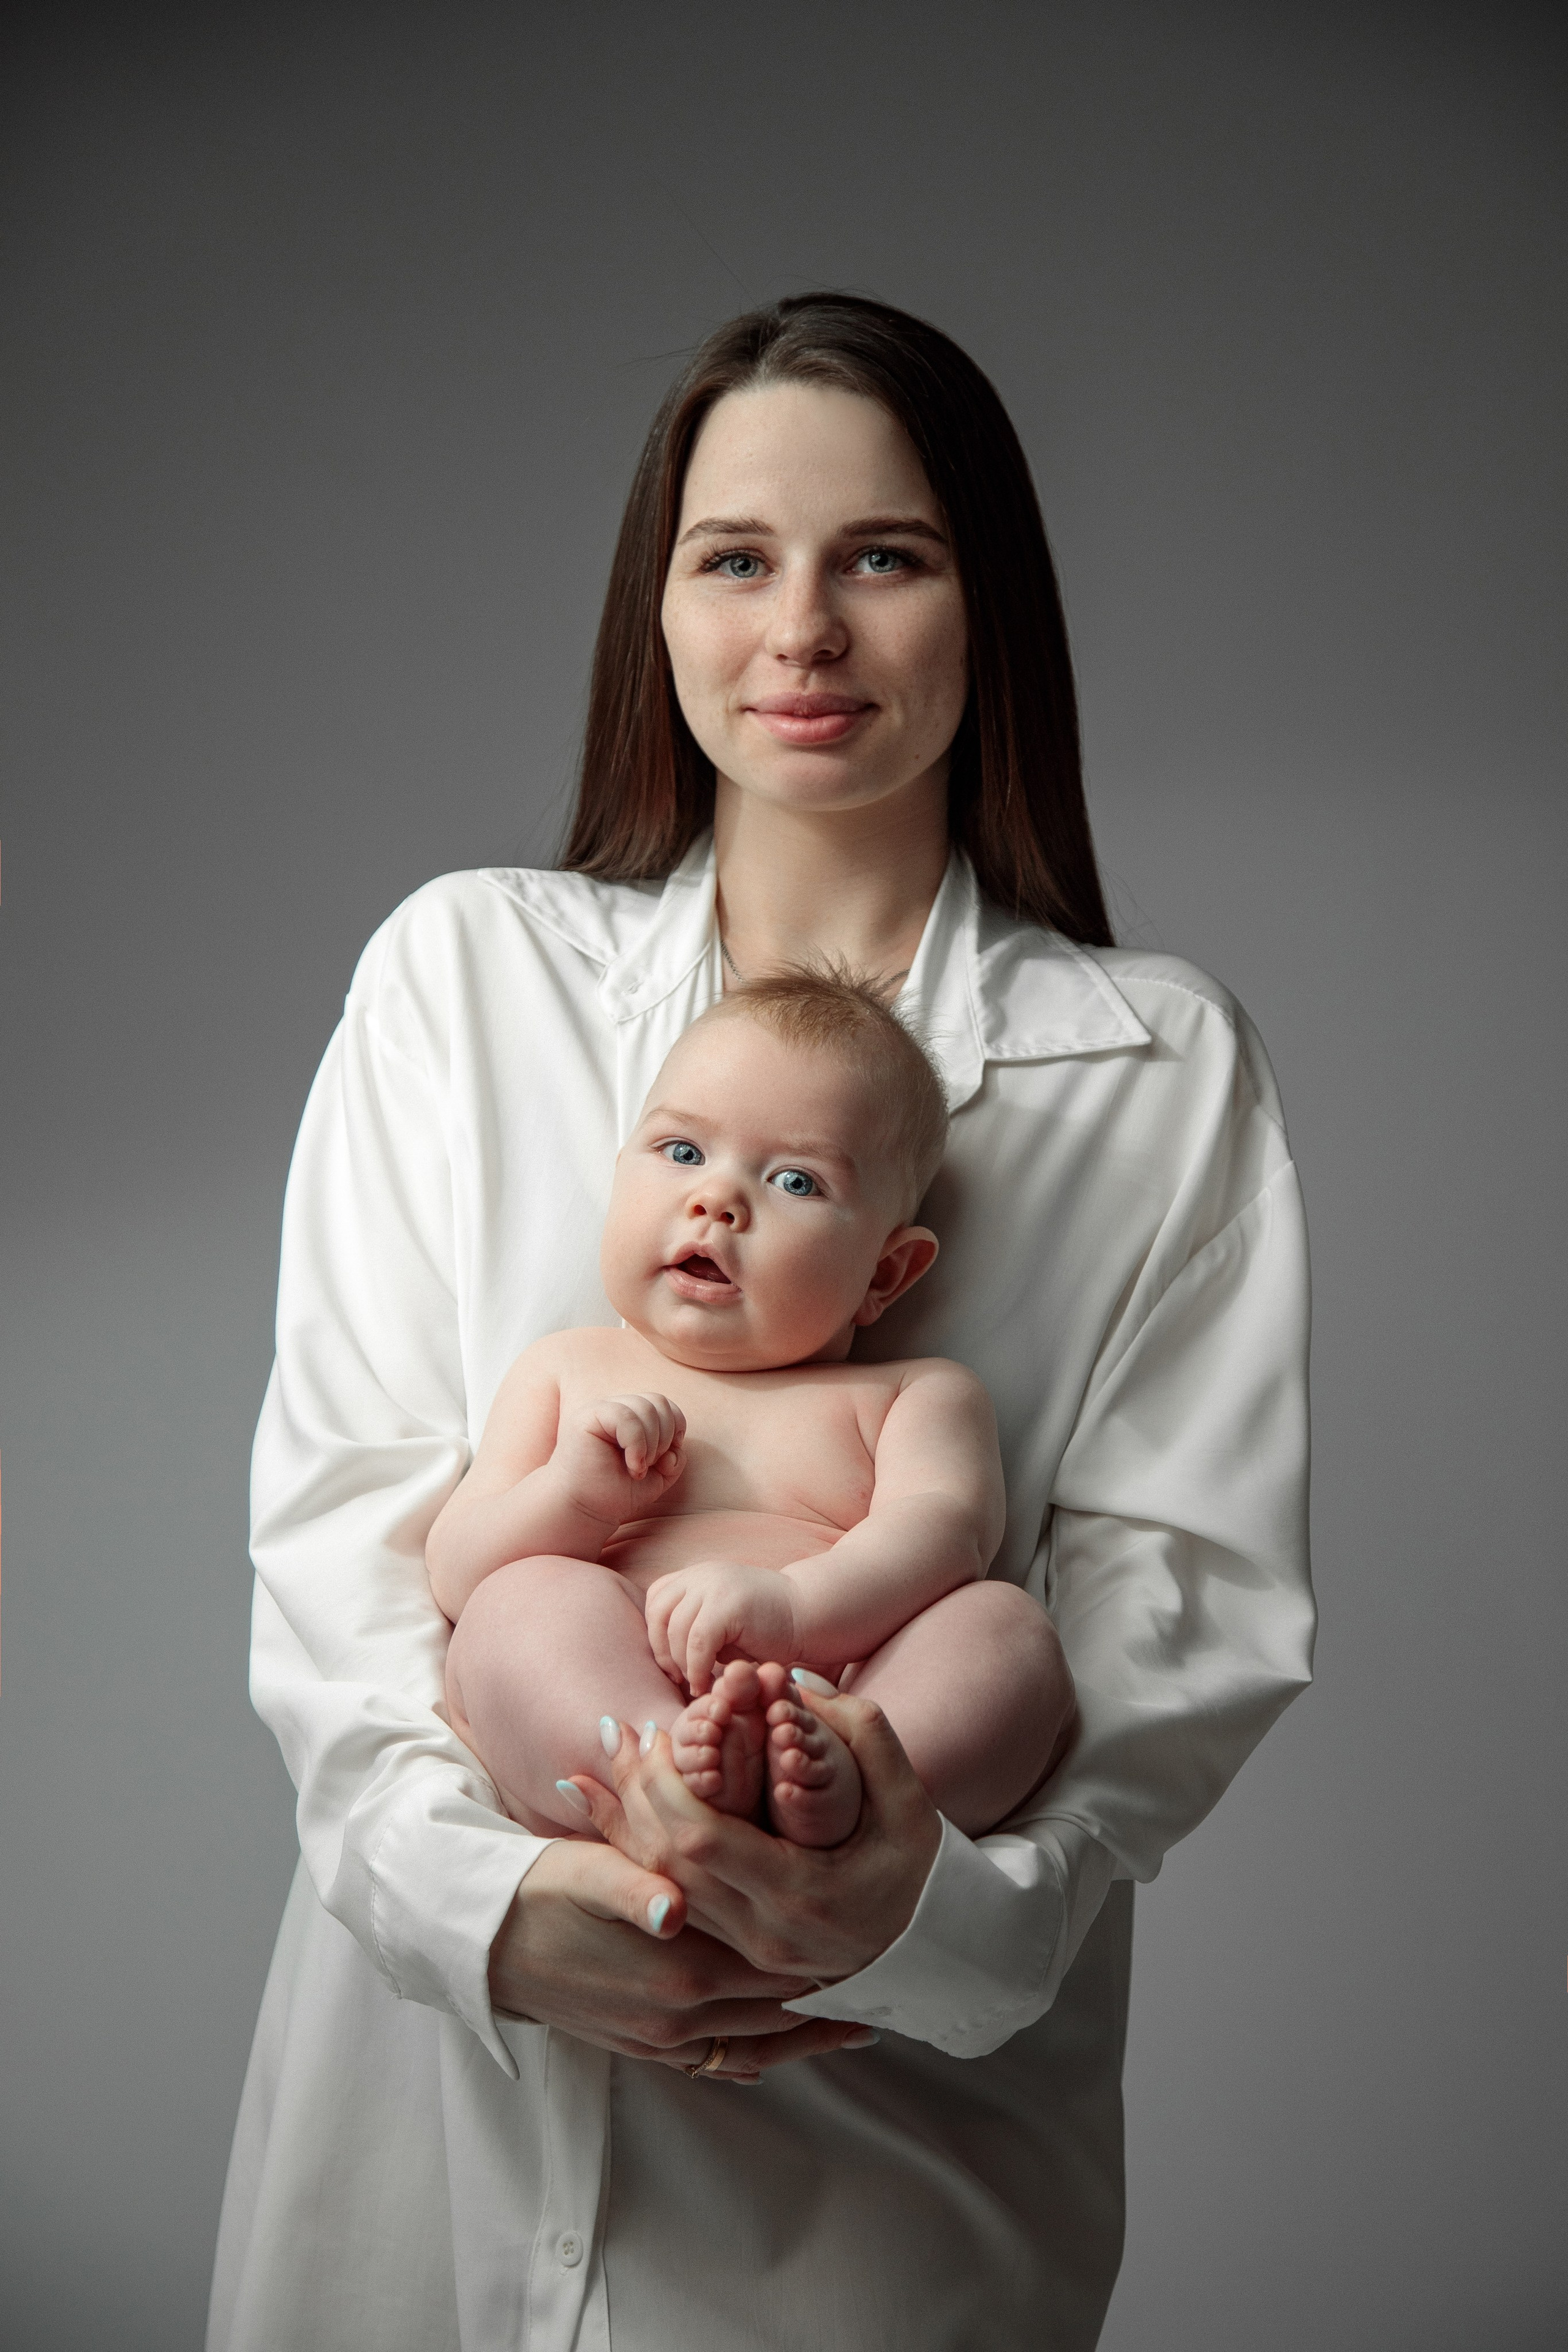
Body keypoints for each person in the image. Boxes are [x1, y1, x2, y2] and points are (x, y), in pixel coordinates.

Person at [208, 292, 1314, 2352]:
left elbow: (1182, 1623)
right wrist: (507, 1914)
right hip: (435, 2131)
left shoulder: (1159, 1069)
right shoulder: (467, 982)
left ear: (993, 610)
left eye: (882, 556)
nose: (800, 628)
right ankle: (644, 1788)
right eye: (736, 560)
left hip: (890, 2191)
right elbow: (344, 1540)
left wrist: (900, 1919)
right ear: (662, 608)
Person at [431, 970, 1076, 1871]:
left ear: (885, 1276)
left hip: (837, 1696)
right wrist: (574, 1499)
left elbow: (945, 1536)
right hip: (619, 1677)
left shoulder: (914, 1395)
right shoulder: (567, 1369)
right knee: (517, 1607)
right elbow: (460, 1572)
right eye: (683, 1153)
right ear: (620, 1176)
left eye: (795, 1181)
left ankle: (860, 1787)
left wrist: (797, 1607)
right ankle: (667, 1769)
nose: (718, 1201)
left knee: (1005, 1632)